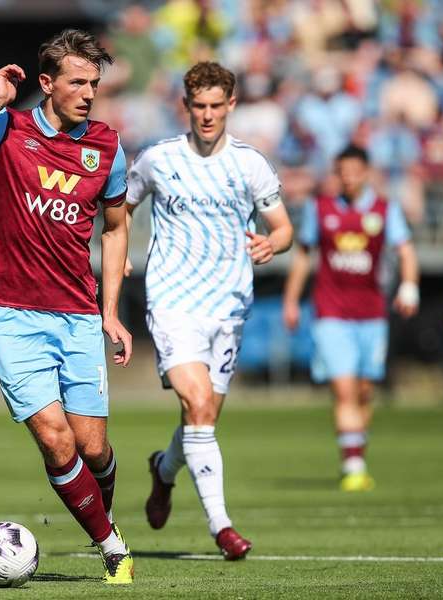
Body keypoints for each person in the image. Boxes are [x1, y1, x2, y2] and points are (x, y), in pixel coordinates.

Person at [0, 29, 135, 584]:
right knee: (53, 436)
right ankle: (112, 546)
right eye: (78, 82)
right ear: (46, 83)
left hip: (78, 314)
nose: (89, 93)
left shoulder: (107, 147)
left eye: (95, 83)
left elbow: (116, 229)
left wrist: (110, 310)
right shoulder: (8, 128)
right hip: (11, 312)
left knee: (93, 448)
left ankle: (101, 514)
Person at [125, 61, 293, 560]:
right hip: (173, 301)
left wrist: (272, 244)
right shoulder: (158, 159)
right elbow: (121, 208)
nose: (207, 115)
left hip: (229, 307)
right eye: (198, 106)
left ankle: (162, 469)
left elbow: (282, 227)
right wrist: (118, 260)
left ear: (231, 106)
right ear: (186, 105)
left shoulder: (250, 164)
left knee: (202, 420)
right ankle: (222, 527)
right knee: (197, 406)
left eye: (216, 106)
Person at [283, 144, 420, 492]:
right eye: (342, 172)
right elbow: (303, 255)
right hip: (331, 313)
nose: (348, 178)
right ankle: (354, 465)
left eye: (354, 171)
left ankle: (356, 452)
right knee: (344, 390)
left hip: (372, 314)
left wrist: (409, 286)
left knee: (363, 391)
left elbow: (405, 250)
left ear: (366, 172)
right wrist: (291, 300)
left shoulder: (384, 210)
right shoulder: (321, 208)